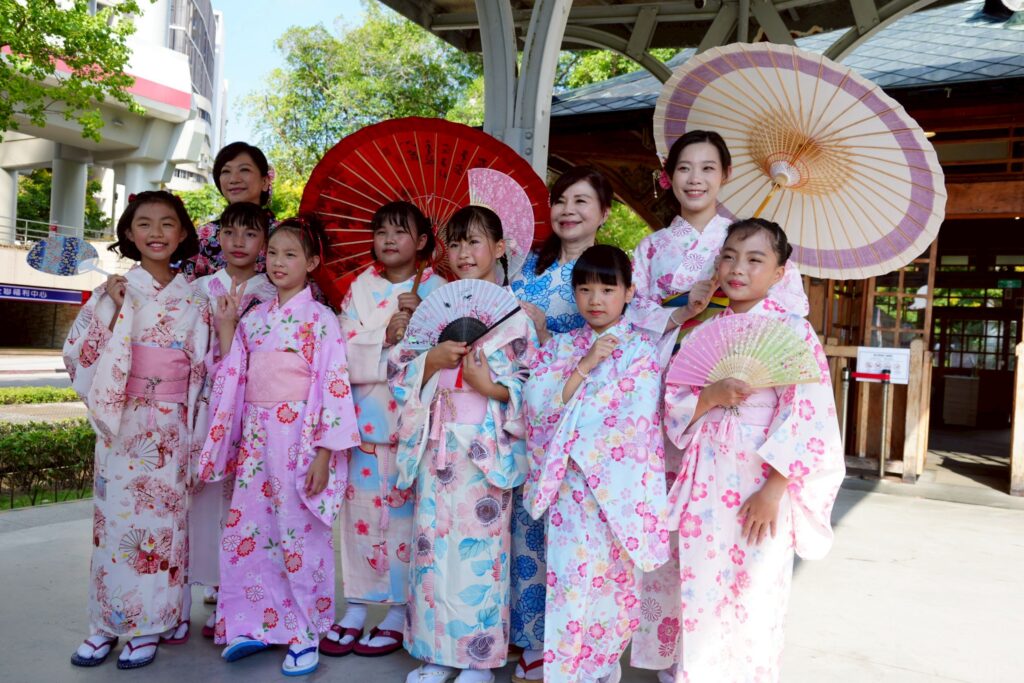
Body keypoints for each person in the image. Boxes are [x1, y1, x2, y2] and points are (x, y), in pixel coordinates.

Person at [627, 131, 809, 682]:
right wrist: (687, 307)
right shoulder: (653, 249)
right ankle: (679, 656)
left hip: (747, 410)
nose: (696, 178)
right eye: (685, 168)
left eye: (708, 168)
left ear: (726, 175)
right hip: (677, 401)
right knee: (680, 541)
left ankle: (727, 662)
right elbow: (634, 322)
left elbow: (788, 324)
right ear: (669, 176)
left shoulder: (749, 242)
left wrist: (736, 293)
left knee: (743, 553)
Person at [661, 218, 844, 682]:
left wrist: (775, 489)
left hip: (760, 480)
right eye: (729, 256)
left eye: (754, 259)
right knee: (700, 587)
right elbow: (676, 404)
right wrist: (711, 396)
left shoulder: (794, 333)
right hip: (707, 474)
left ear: (780, 273)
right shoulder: (705, 330)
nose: (737, 268)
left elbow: (809, 416)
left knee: (755, 591)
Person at [196, 216, 360, 676]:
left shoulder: (321, 319)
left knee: (299, 536)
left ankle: (306, 631)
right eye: (273, 253)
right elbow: (234, 372)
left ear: (312, 262)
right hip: (255, 438)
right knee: (250, 533)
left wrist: (326, 454)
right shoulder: (255, 316)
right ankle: (254, 625)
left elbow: (332, 385)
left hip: (300, 441)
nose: (278, 262)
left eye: (291, 254)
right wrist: (227, 324)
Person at [389, 205, 536, 683]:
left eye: (475, 242)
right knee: (432, 550)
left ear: (499, 248)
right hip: (438, 444)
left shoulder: (517, 316)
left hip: (487, 448)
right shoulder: (436, 305)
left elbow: (535, 388)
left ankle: (479, 658)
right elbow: (399, 375)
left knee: (481, 556)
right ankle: (435, 652)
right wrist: (429, 361)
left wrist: (489, 385)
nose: (464, 253)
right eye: (454, 243)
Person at [64, 191, 207, 669]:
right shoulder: (117, 289)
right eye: (144, 224)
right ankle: (104, 625)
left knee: (163, 529)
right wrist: (111, 307)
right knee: (114, 526)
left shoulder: (196, 296)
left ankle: (150, 625)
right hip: (122, 423)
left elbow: (204, 367)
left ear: (183, 233)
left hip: (170, 429)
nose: (156, 233)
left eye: (168, 224)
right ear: (128, 233)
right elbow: (76, 353)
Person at [522, 245, 669, 683]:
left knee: (615, 590)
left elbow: (634, 424)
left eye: (608, 288)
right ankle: (566, 675)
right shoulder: (561, 348)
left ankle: (602, 671)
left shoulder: (642, 353)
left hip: (619, 495)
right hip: (570, 492)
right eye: (584, 288)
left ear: (628, 292)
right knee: (569, 585)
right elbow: (538, 408)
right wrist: (584, 366)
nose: (595, 299)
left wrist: (578, 425)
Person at [322, 201, 446, 658]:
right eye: (382, 232)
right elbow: (342, 345)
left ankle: (397, 609)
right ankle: (357, 604)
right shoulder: (360, 288)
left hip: (412, 425)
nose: (389, 240)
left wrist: (417, 326)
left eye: (401, 231)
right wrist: (386, 337)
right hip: (363, 419)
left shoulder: (436, 290)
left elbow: (443, 357)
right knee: (357, 517)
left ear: (422, 242)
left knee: (403, 520)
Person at [508, 168, 612, 681]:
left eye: (582, 201)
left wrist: (549, 328)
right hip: (527, 404)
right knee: (527, 521)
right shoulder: (529, 265)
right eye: (561, 200)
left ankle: (567, 637)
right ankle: (527, 636)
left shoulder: (607, 271)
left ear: (604, 212)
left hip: (583, 415)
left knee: (574, 534)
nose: (568, 210)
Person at [188, 202, 277, 638]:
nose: (239, 242)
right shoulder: (201, 288)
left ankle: (239, 585)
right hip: (211, 401)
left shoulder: (272, 293)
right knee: (208, 495)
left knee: (247, 495)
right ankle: (213, 577)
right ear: (218, 239)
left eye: (250, 233)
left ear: (263, 243)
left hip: (256, 406)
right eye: (230, 233)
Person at [179, 141, 273, 280]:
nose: (234, 179)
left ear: (265, 182)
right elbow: (185, 292)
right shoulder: (202, 237)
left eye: (244, 170)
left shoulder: (285, 235)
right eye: (226, 171)